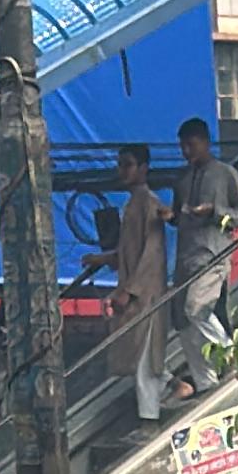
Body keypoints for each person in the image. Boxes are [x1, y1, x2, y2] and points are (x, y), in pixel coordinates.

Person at [165, 115, 238, 395]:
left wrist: (214, 212)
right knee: (181, 321)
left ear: (205, 142)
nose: (186, 152)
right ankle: (205, 381)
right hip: (185, 258)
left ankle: (232, 355)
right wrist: (171, 217)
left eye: (191, 145)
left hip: (213, 254)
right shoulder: (182, 179)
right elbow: (180, 217)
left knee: (196, 309)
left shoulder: (225, 173)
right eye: (183, 147)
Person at [107, 142, 169, 421]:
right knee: (139, 357)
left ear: (143, 168)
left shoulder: (149, 203)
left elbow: (151, 253)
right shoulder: (133, 203)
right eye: (120, 165)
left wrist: (129, 290)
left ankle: (150, 419)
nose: (122, 171)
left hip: (145, 293)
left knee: (146, 361)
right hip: (135, 291)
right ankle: (173, 387)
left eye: (128, 165)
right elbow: (130, 250)